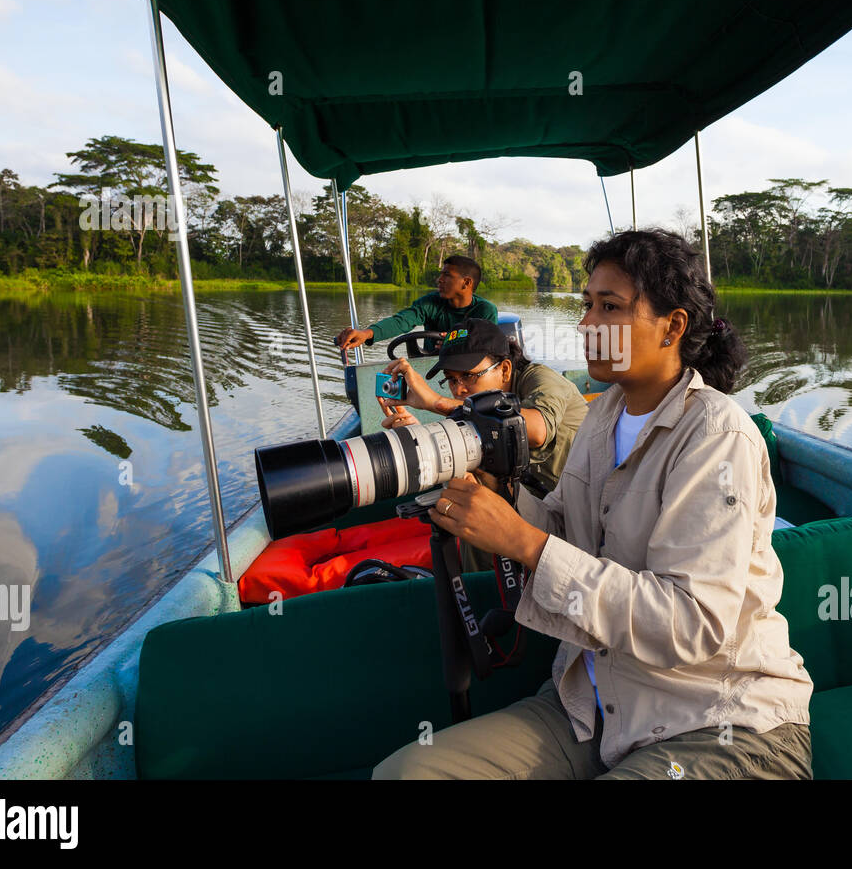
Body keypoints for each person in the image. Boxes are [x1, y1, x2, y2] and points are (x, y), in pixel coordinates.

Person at [372, 228, 814, 780]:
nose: (586, 325)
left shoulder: (718, 436)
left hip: (716, 722)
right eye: (587, 306)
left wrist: (523, 541)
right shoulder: (603, 417)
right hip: (590, 704)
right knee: (409, 774)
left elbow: (690, 623)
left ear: (673, 326)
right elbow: (561, 528)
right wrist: (490, 491)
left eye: (610, 307)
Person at [376, 318, 589, 570]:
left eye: (468, 375)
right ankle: (478, 593)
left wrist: (437, 403)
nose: (459, 389)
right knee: (466, 491)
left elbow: (537, 430)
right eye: (452, 380)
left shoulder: (541, 379)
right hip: (532, 500)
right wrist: (417, 435)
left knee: (478, 502)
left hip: (577, 518)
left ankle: (487, 594)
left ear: (505, 369)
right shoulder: (479, 411)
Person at [335, 255, 497, 360]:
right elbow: (401, 321)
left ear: (467, 282)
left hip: (466, 373)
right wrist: (366, 334)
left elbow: (487, 346)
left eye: (446, 275)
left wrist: (458, 341)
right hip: (429, 367)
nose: (439, 280)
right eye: (441, 274)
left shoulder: (485, 310)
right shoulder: (430, 302)